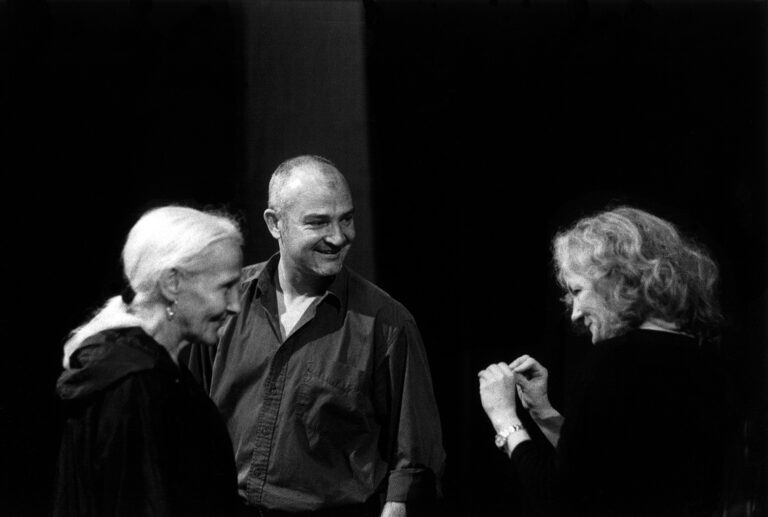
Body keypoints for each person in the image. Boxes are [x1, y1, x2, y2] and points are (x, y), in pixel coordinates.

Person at [185, 155, 445, 517]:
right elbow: (187, 424)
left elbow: (413, 460)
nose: (339, 237)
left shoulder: (387, 322)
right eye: (319, 222)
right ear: (275, 224)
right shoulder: (228, 302)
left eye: (347, 219)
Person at [478, 206, 726, 517]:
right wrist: (543, 413)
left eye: (578, 291)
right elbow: (610, 470)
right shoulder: (705, 358)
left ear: (615, 278)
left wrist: (505, 420)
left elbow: (560, 500)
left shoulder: (615, 362)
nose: (576, 314)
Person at [54, 205, 243, 517]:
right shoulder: (134, 382)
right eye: (225, 287)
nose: (235, 304)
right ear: (172, 284)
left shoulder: (156, 370)